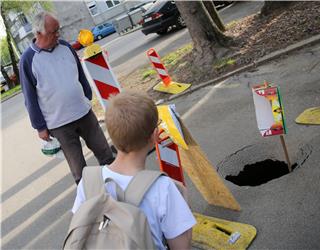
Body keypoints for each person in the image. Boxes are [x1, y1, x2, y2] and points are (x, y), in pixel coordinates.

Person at [72, 91, 196, 249]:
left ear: (112, 135)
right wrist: (184, 200)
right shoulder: (163, 188)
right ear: (154, 136)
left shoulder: (88, 181)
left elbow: (80, 230)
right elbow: (181, 247)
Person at [19, 11, 114, 184]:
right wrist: (40, 127)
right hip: (59, 125)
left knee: (106, 154)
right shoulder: (28, 59)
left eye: (58, 30)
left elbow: (80, 75)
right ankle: (93, 205)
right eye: (53, 32)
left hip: (84, 114)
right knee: (80, 172)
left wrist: (87, 97)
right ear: (38, 34)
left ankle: (118, 190)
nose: (57, 35)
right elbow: (29, 97)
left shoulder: (66, 47)